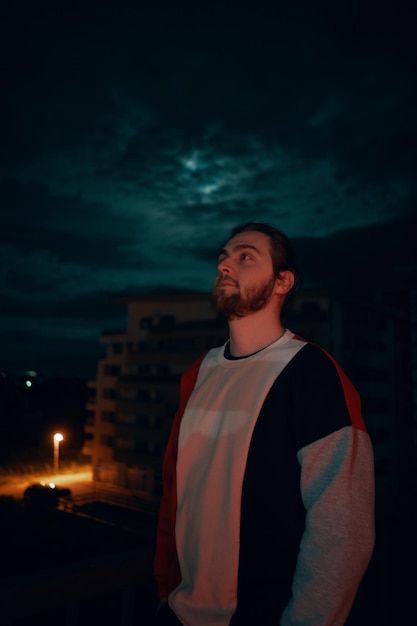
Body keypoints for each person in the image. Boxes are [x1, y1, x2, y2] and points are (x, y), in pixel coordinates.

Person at [154, 222, 375, 626]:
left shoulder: (312, 373)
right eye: (222, 258)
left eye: (245, 257)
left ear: (281, 282)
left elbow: (342, 531)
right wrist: (164, 591)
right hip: (179, 613)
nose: (225, 266)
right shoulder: (197, 373)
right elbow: (176, 492)